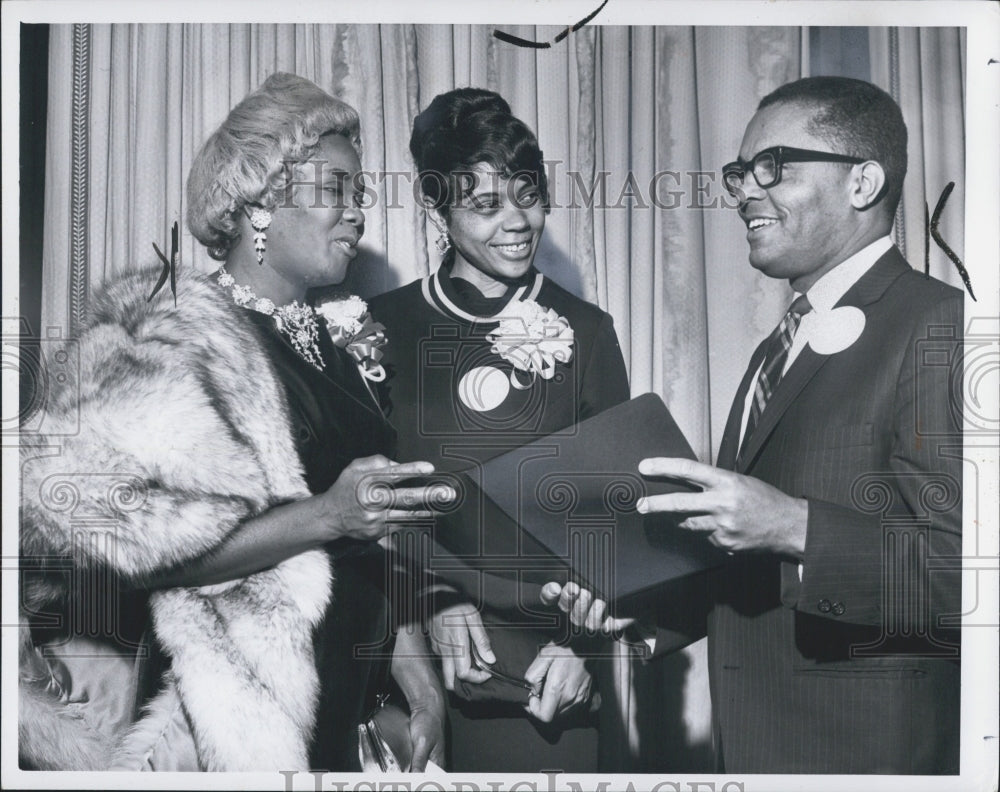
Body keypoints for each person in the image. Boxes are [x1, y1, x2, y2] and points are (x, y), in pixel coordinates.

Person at [19, 73, 449, 772]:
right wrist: (326, 516)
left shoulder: (339, 351)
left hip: (346, 707)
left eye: (358, 194)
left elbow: (369, 548)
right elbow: (142, 553)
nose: (358, 213)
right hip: (230, 724)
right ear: (259, 201)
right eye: (335, 189)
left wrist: (420, 680)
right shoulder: (177, 336)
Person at [542, 76, 963, 774]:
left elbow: (963, 570)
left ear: (862, 182)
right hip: (761, 749)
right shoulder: (780, 345)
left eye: (774, 167)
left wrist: (792, 524)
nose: (742, 192)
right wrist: (641, 615)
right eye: (740, 172)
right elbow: (756, 570)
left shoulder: (939, 325)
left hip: (866, 759)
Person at [367, 88, 633, 771]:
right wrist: (432, 599)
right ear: (436, 207)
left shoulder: (588, 332)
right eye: (485, 205)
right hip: (395, 671)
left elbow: (619, 523)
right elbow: (351, 506)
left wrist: (582, 649)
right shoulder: (377, 329)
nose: (517, 222)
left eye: (528, 195)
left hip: (539, 684)